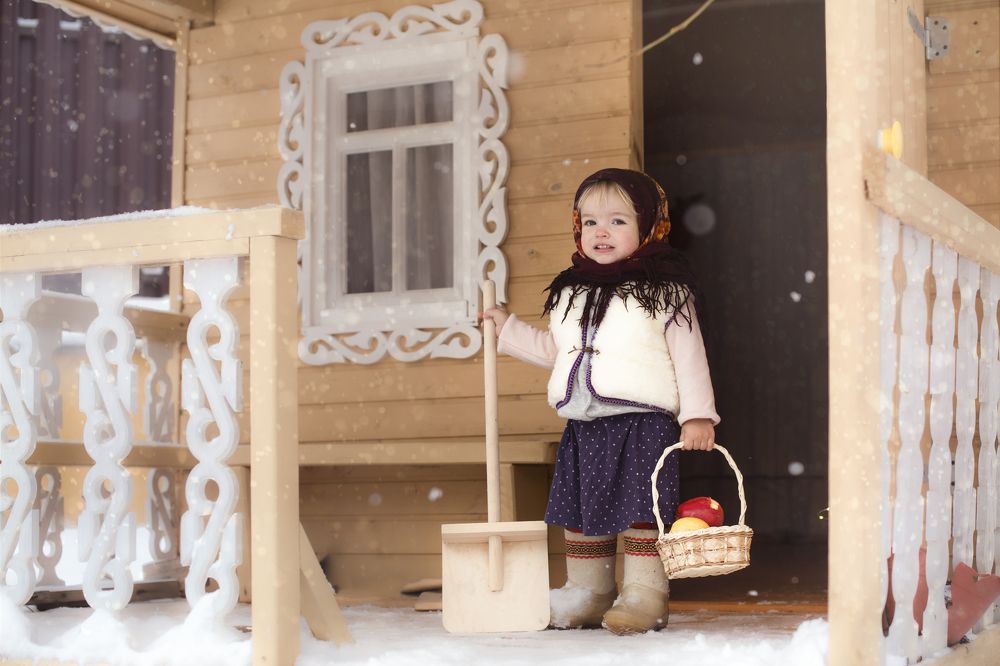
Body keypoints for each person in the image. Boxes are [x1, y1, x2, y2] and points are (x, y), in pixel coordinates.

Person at [480, 168, 720, 635]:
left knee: (640, 510)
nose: (601, 232)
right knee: (584, 510)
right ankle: (588, 590)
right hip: (585, 423)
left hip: (643, 423)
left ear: (650, 227)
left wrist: (696, 416)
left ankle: (645, 593)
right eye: (590, 222)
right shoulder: (573, 290)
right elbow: (559, 352)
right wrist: (506, 328)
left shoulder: (666, 292)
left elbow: (689, 357)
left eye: (617, 221)